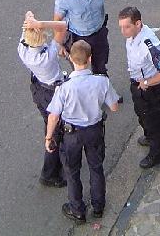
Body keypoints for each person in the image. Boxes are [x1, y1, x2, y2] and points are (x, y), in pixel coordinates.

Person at [45, 40, 119, 223]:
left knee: (72, 172)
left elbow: (53, 116)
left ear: (70, 58)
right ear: (90, 58)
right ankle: (98, 207)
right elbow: (114, 106)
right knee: (96, 167)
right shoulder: (102, 81)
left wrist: (48, 138)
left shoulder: (64, 87)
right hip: (94, 131)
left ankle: (77, 210)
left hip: (72, 135)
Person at [118, 6, 160, 169]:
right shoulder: (134, 36)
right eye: (121, 27)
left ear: (138, 24)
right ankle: (149, 136)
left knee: (153, 120)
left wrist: (147, 83)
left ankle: (158, 153)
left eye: (127, 26)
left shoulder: (149, 45)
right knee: (142, 115)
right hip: (138, 83)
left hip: (150, 88)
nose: (123, 31)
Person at [18, 13, 67, 188]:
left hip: (39, 89)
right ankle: (50, 173)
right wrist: (40, 22)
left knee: (49, 122)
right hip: (52, 92)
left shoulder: (23, 49)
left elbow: (26, 30)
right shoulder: (46, 57)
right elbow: (62, 27)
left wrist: (30, 20)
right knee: (55, 131)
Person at [53, 0, 111, 76]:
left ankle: (102, 88)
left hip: (98, 33)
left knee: (100, 65)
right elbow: (57, 20)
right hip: (77, 36)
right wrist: (59, 44)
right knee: (79, 70)